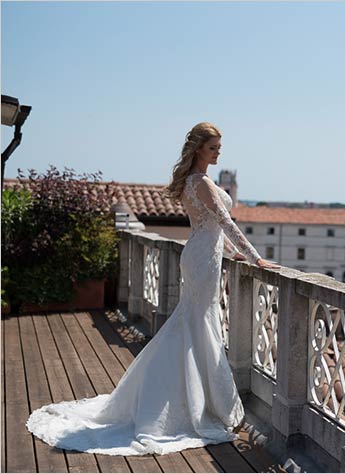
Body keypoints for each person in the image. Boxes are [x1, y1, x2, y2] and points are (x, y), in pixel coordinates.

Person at [26, 122, 278, 455]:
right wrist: (256, 258)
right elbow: (225, 223)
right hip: (202, 259)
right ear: (198, 149)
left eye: (219, 147)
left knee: (194, 323)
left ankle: (194, 397)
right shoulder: (201, 183)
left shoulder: (194, 181)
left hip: (203, 255)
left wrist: (232, 254)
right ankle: (194, 404)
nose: (219, 152)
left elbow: (211, 228)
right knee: (198, 324)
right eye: (213, 147)